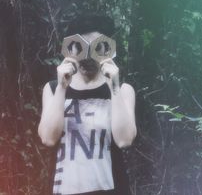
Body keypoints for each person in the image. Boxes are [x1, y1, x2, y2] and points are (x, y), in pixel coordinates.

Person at [38, 14, 137, 195]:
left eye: (96, 47)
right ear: (71, 48)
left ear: (108, 48)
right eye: (81, 46)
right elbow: (48, 138)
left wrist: (114, 87)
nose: (88, 56)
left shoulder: (123, 90)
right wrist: (62, 87)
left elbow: (124, 140)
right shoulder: (52, 88)